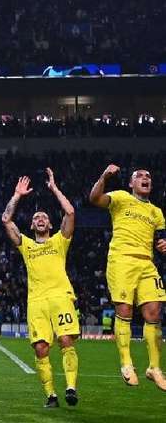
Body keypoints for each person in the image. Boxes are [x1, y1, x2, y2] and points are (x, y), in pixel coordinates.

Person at [2, 170, 80, 407]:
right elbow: (6, 219)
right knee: (41, 348)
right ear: (32, 224)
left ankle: (70, 388)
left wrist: (54, 189)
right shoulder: (26, 245)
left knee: (66, 340)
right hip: (36, 302)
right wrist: (17, 195)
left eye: (44, 217)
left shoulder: (59, 241)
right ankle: (51, 396)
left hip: (60, 297)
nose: (40, 219)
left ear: (50, 223)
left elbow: (70, 212)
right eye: (36, 217)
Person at [89, 165, 166, 389]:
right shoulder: (121, 197)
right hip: (121, 260)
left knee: (154, 312)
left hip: (147, 264)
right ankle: (126, 362)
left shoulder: (157, 212)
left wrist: (163, 244)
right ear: (131, 184)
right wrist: (104, 176)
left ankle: (154, 367)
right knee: (125, 310)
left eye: (148, 176)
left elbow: (160, 239)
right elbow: (94, 198)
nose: (145, 178)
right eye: (139, 176)